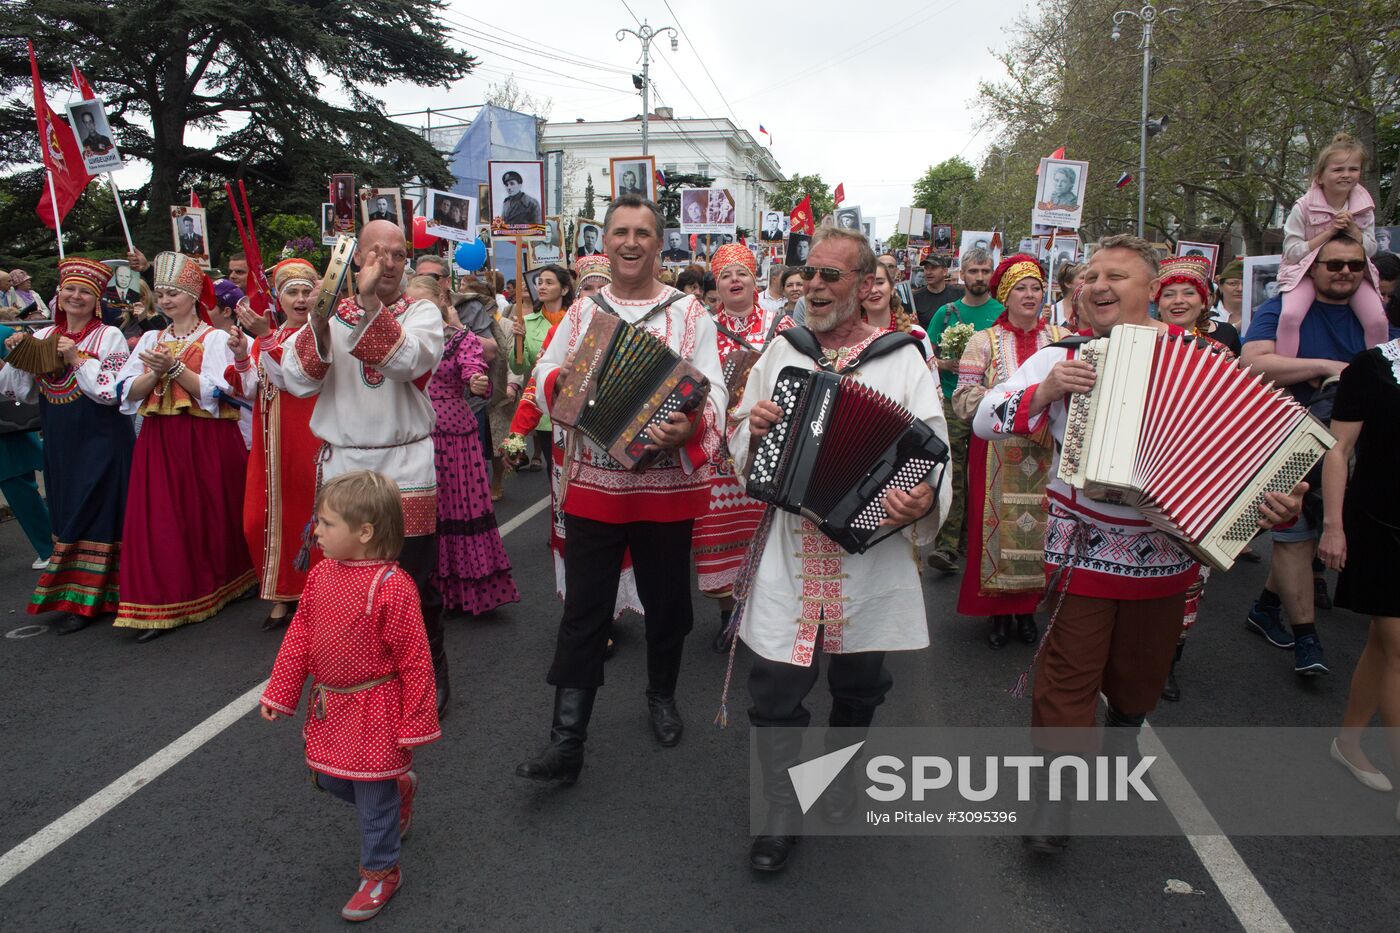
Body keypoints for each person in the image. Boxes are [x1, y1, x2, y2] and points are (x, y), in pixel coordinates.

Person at [974, 234, 1304, 853]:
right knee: (1067, 675)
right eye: (1089, 274)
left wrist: (1273, 498)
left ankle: (1124, 731)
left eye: (1115, 276)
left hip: (1169, 554)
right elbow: (985, 417)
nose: (1096, 284)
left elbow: (1248, 456)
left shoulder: (1208, 360)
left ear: (1152, 289)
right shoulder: (1061, 356)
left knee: (1139, 674)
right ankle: (1055, 798)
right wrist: (1044, 394)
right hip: (1082, 549)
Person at [731, 225, 950, 872]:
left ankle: (840, 772)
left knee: (860, 683)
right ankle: (778, 809)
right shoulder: (783, 351)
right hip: (791, 550)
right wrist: (755, 430)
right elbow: (742, 437)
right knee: (775, 685)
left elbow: (933, 455)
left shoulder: (902, 358)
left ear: (863, 284)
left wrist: (923, 500)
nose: (816, 286)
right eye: (809, 275)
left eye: (832, 276)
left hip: (869, 550)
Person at [515, 194, 726, 783]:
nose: (630, 243)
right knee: (584, 611)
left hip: (665, 491)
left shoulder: (690, 316)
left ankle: (661, 695)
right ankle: (567, 739)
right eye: (620, 233)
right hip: (594, 488)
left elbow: (715, 391)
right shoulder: (583, 312)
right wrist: (566, 384)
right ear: (604, 244)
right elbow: (543, 377)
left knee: (668, 607)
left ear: (659, 245)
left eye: (642, 233)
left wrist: (692, 426)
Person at [266, 219, 450, 712]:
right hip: (346, 468)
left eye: (397, 255)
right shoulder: (326, 314)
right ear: (354, 259)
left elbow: (407, 362)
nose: (388, 264)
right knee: (346, 585)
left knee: (411, 584)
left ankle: (427, 677)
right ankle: (362, 684)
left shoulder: (423, 312)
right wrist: (322, 325)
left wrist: (369, 306)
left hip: (405, 468)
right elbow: (298, 380)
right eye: (376, 254)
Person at [259, 471, 440, 923]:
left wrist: (415, 719)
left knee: (371, 794)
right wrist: (281, 691)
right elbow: (300, 635)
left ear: (364, 532)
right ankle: (399, 790)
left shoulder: (392, 586)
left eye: (325, 523)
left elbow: (415, 658)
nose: (315, 531)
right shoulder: (321, 576)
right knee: (331, 779)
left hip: (376, 708)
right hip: (332, 704)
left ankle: (381, 872)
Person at [1242, 233, 1375, 676]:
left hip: (1362, 447)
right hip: (1291, 440)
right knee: (1294, 537)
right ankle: (1307, 640)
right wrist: (1328, 368)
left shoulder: (1379, 316)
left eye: (1354, 265)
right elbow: (1253, 362)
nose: (1344, 273)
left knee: (1320, 535)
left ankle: (1265, 606)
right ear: (1313, 267)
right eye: (1334, 264)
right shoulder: (1280, 309)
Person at [113, 252, 255, 640]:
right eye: (161, 293)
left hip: (207, 436)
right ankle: (163, 598)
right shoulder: (149, 338)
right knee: (162, 516)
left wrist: (173, 369)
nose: (166, 299)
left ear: (194, 296)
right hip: (161, 439)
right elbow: (127, 392)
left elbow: (219, 393)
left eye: (173, 292)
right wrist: (154, 373)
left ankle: (224, 581)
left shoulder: (216, 339)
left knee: (209, 510)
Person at [952, 255, 1067, 648]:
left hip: (1048, 451)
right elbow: (964, 399)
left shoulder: (1061, 338)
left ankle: (1027, 610)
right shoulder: (982, 341)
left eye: (1036, 287)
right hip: (997, 451)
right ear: (1005, 295)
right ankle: (999, 615)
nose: (1030, 294)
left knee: (1042, 533)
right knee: (997, 533)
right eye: (1021, 288)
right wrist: (1014, 400)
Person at [694, 244, 793, 652]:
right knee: (720, 537)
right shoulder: (699, 327)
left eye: (742, 274)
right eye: (726, 275)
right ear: (717, 285)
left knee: (767, 534)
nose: (735, 281)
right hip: (716, 449)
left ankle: (763, 614)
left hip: (766, 444)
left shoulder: (781, 325)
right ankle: (728, 615)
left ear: (756, 281)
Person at [1318, 334, 1400, 817]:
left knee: (1384, 646)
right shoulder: (1372, 367)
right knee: (1398, 647)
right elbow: (1338, 449)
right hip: (1382, 526)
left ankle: (1348, 742)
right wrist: (1333, 525)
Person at [408, 274, 520, 616]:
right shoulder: (399, 340)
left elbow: (476, 372)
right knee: (426, 513)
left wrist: (476, 380)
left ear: (441, 303)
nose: (414, 311)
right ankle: (423, 588)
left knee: (459, 509)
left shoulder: (460, 340)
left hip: (452, 433)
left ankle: (467, 592)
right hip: (411, 431)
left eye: (422, 305)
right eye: (408, 305)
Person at [234, 259, 324, 631]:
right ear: (279, 298)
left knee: (311, 516)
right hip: (268, 445)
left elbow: (290, 380)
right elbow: (246, 391)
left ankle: (313, 595)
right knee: (259, 521)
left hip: (308, 437)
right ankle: (278, 593)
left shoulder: (318, 337)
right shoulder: (261, 340)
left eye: (307, 292)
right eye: (293, 292)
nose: (300, 299)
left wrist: (265, 339)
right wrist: (242, 352)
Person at [1274, 133, 1387, 358]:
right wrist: (1330, 233)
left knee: (1377, 320)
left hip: (1351, 273)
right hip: (1305, 273)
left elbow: (1372, 250)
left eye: (1353, 169)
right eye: (1338, 170)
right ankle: (1283, 376)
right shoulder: (1303, 207)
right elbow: (1292, 253)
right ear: (1320, 176)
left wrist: (1354, 231)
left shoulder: (1365, 208)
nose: (1346, 175)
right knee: (1289, 316)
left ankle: (1378, 377)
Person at [923, 247, 1001, 573]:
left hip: (993, 406)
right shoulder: (948, 313)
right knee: (953, 474)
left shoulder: (1001, 312)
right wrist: (947, 362)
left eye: (985, 271)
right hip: (953, 403)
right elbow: (928, 356)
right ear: (962, 274)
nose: (979, 277)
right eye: (974, 271)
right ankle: (947, 546)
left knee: (987, 476)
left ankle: (983, 543)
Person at [0, 321, 56, 572]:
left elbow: (23, 378)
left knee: (19, 486)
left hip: (8, 431)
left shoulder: (5, 334)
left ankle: (50, 548)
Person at [509, 264, 573, 472]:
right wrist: (518, 341)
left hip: (574, 405)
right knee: (554, 469)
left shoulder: (575, 320)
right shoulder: (526, 322)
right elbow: (520, 367)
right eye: (540, 282)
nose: (542, 287)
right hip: (544, 408)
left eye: (549, 282)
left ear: (564, 289)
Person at [1155, 255, 1241, 355]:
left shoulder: (1218, 353)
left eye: (1188, 293)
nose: (1178, 301)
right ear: (1158, 304)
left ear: (1203, 302)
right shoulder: (1142, 344)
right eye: (1169, 294)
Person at [860, 260, 931, 355]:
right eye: (865, 285)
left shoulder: (917, 334)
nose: (873, 290)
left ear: (892, 288)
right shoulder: (849, 341)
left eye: (880, 282)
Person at [911, 255, 965, 327]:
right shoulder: (916, 298)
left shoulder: (960, 294)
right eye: (926, 268)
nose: (928, 272)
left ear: (945, 271)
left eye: (933, 268)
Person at [1048, 262, 1084, 327]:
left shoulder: (1092, 309)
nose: (1087, 281)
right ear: (1068, 283)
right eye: (1082, 278)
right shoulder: (1051, 312)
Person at [1213, 259, 1245, 329]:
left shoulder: (1259, 314)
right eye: (1233, 284)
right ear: (1220, 286)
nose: (1240, 289)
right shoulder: (1208, 315)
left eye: (1245, 284)